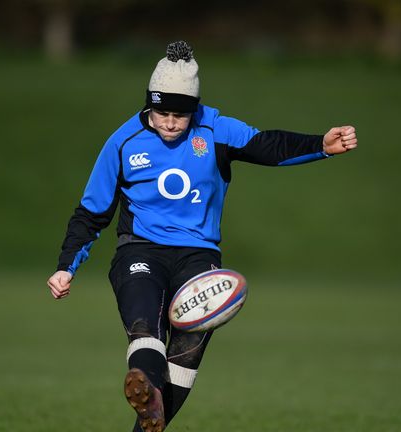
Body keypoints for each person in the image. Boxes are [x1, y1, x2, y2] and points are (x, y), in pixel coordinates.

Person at [47, 41, 358, 432]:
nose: (172, 122)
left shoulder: (215, 129)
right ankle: (142, 383)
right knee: (146, 326)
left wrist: (320, 146)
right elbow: (92, 212)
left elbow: (266, 144)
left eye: (181, 114)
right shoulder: (123, 142)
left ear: (195, 110)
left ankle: (150, 408)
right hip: (139, 251)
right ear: (149, 104)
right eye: (163, 112)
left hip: (198, 255)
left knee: (186, 352)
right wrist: (66, 267)